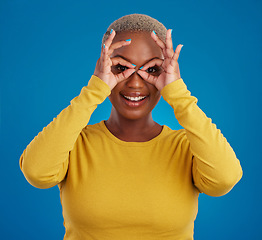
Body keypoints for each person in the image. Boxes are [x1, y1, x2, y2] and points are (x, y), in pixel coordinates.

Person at [19, 14, 243, 239]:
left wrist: (178, 93)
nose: (135, 83)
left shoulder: (188, 148)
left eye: (152, 70)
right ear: (104, 67)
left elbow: (224, 180)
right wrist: (94, 90)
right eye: (120, 67)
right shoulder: (73, 144)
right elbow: (37, 173)